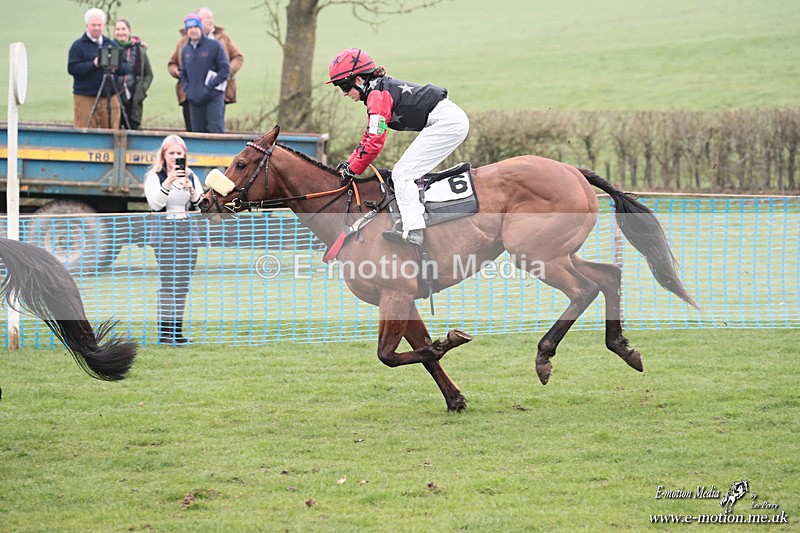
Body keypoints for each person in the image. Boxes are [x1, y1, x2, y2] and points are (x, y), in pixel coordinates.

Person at [327, 48, 470, 246]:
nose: (343, 93)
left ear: (359, 80)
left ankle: (413, 230)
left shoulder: (377, 95)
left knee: (402, 174)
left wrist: (352, 169)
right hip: (446, 120)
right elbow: (370, 136)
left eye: (344, 86)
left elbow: (374, 141)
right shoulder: (377, 90)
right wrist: (350, 164)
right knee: (404, 172)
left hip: (447, 122)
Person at [143, 135, 204, 345]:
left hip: (187, 231)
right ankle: (165, 332)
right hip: (165, 233)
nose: (175, 157)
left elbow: (201, 205)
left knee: (183, 283)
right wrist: (168, 182)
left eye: (179, 153)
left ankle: (177, 332)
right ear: (164, 155)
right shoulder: (154, 176)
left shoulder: (191, 176)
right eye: (171, 153)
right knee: (169, 282)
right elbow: (155, 204)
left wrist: (192, 191)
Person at [68, 8, 131, 129]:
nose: (96, 28)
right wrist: (94, 64)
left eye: (99, 25)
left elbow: (126, 68)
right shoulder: (78, 46)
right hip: (86, 97)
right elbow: (72, 68)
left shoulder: (112, 45)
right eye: (93, 25)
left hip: (110, 97)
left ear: (103, 26)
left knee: (111, 133)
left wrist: (116, 67)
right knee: (86, 132)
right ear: (87, 26)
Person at [178, 13, 230, 133]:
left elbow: (225, 69)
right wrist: (188, 90)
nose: (193, 31)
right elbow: (183, 73)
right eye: (190, 28)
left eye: (196, 27)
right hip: (194, 100)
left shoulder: (214, 46)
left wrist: (211, 85)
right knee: (197, 135)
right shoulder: (186, 50)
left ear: (200, 28)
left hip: (213, 98)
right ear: (186, 31)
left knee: (215, 132)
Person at [113, 18, 154, 130]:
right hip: (114, 97)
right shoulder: (110, 48)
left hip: (134, 99)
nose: (121, 32)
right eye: (118, 29)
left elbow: (148, 74)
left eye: (123, 29)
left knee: (133, 130)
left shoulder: (139, 50)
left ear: (129, 31)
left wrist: (142, 90)